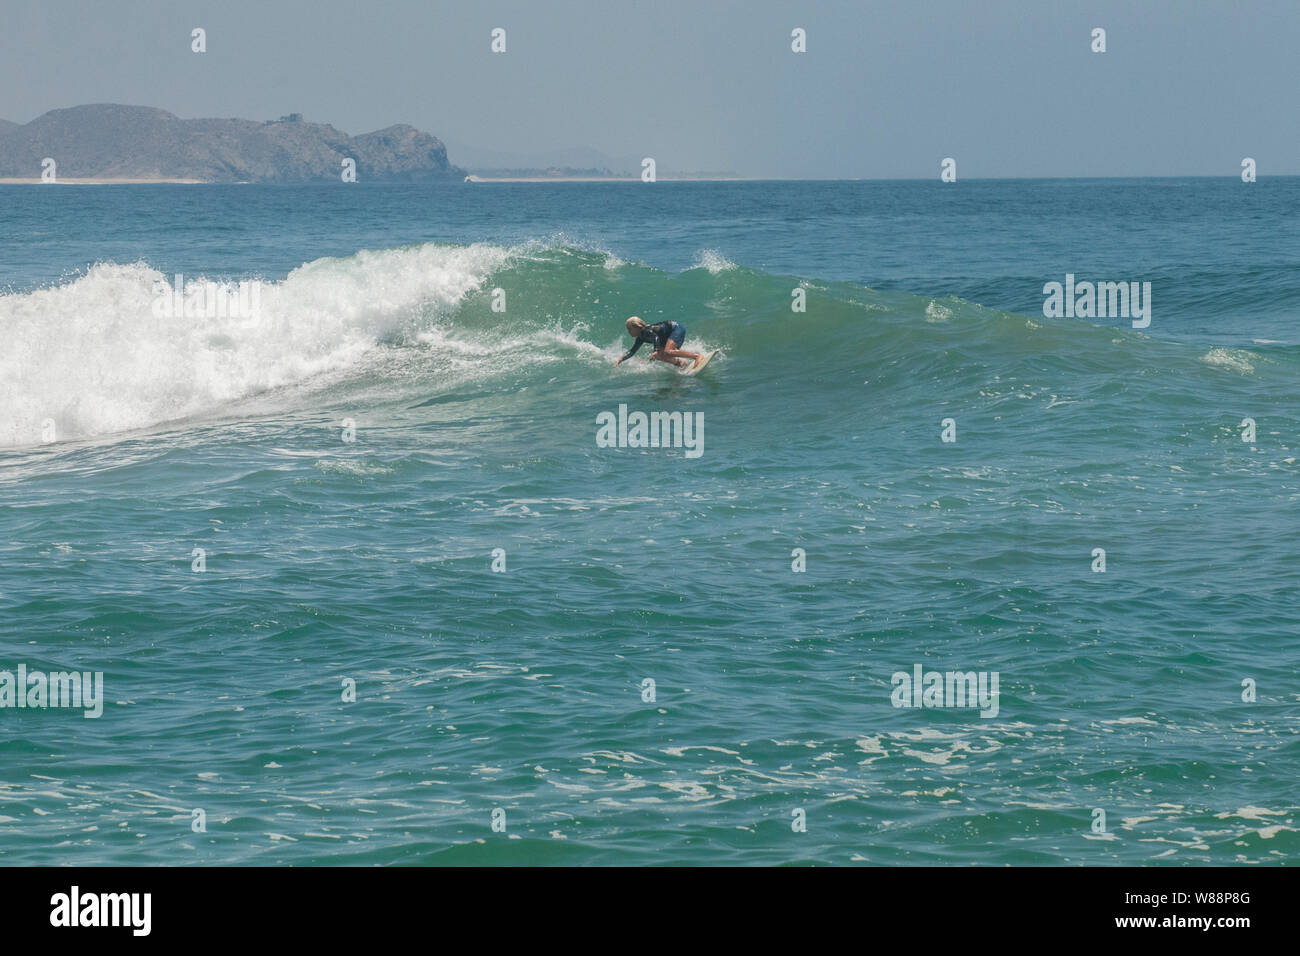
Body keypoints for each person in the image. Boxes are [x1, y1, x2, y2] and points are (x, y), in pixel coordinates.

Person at [614, 316, 701, 369]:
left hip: (676, 329)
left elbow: (655, 337)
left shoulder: (647, 330)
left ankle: (697, 357)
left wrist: (656, 350)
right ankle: (681, 364)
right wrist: (621, 359)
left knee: (667, 351)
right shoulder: (640, 337)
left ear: (637, 327)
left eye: (630, 329)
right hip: (666, 337)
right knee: (659, 355)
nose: (629, 332)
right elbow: (632, 351)